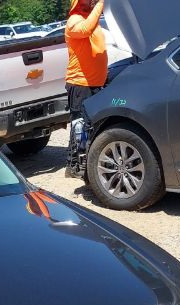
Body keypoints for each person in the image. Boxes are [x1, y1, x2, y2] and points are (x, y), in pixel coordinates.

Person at [65, 0, 107, 177]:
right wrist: (100, 4)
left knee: (94, 127)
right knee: (80, 127)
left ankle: (88, 164)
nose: (91, 2)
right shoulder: (73, 21)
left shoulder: (92, 19)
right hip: (80, 84)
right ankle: (74, 167)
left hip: (96, 83)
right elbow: (85, 30)